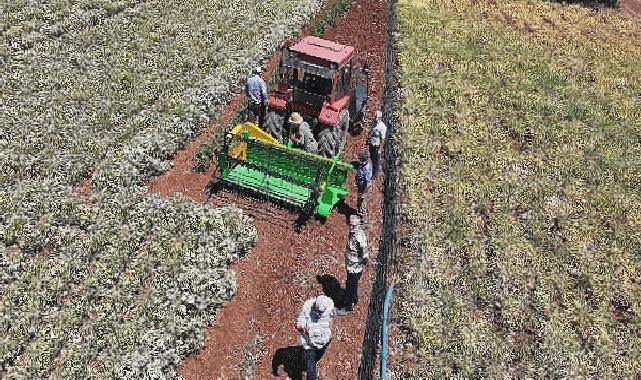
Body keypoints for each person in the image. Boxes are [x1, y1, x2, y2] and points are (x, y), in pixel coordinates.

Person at [296, 294, 335, 380]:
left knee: (318, 355)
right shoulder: (307, 307)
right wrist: (304, 327)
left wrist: (329, 333)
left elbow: (331, 319)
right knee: (311, 366)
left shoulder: (329, 305)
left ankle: (312, 362)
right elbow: (299, 325)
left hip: (323, 340)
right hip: (310, 342)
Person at [340, 214, 369, 314]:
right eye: (351, 217)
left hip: (354, 266)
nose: (351, 219)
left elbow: (364, 252)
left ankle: (347, 306)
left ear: (359, 221)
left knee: (350, 285)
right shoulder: (353, 230)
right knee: (353, 284)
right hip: (351, 264)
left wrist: (364, 261)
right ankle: (354, 299)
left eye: (354, 218)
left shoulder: (358, 236)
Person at [355, 148, 372, 223]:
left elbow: (369, 183)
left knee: (362, 204)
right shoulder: (362, 165)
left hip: (364, 189)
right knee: (359, 202)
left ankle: (364, 220)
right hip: (360, 187)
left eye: (359, 157)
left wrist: (364, 194)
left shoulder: (367, 168)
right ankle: (358, 211)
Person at [368, 109, 387, 178]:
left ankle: (375, 174)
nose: (375, 118)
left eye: (377, 117)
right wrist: (368, 139)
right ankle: (372, 170)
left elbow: (383, 139)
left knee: (376, 160)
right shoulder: (373, 123)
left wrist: (380, 149)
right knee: (372, 158)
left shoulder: (382, 127)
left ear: (380, 118)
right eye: (375, 117)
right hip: (371, 144)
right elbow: (370, 131)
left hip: (377, 146)